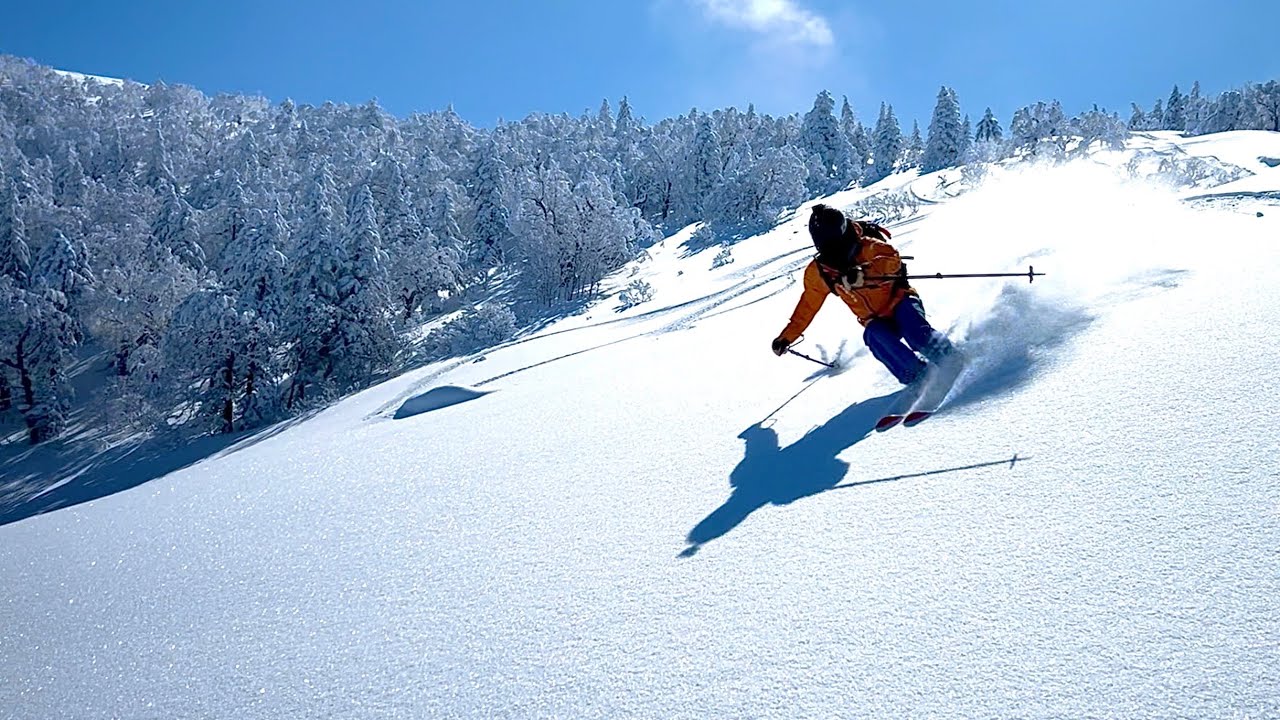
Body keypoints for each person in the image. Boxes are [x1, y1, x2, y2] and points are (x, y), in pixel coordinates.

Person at [772, 203, 954, 385]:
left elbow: (892, 259)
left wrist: (863, 272)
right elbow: (808, 306)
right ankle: (917, 377)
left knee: (914, 332)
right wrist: (787, 337)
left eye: (832, 241)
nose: (830, 248)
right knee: (874, 336)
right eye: (824, 243)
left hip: (900, 300)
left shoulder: (867, 245)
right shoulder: (820, 271)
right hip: (875, 319)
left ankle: (950, 359)